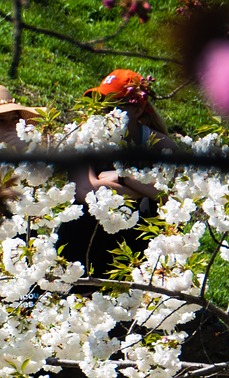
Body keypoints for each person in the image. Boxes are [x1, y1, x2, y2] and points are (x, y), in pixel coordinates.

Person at [58, 69, 176, 277]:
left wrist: (123, 176)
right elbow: (83, 189)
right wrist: (145, 190)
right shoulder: (86, 137)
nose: (104, 113)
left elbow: (173, 201)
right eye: (100, 105)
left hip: (134, 243)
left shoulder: (159, 146)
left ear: (138, 109)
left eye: (113, 106)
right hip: (83, 233)